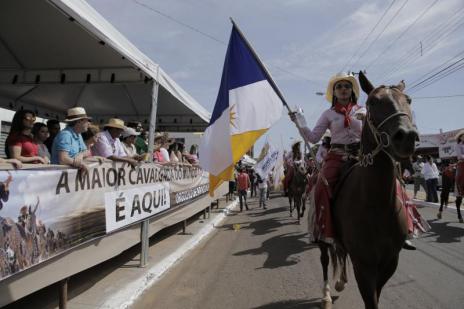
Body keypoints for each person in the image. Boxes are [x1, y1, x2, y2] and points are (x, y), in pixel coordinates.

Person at [290, 72, 418, 250]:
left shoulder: (364, 109)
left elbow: (378, 128)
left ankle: (406, 229)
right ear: (334, 92)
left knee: (395, 181)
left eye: (347, 86)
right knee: (321, 186)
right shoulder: (328, 114)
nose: (343, 89)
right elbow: (313, 137)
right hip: (337, 156)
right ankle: (323, 231)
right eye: (339, 86)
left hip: (364, 155)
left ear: (352, 90)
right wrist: (300, 122)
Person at [455, 130, 464, 223]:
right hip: (462, 163)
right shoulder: (458, 145)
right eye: (463, 136)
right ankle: (459, 189)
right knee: (459, 175)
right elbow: (460, 155)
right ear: (460, 137)